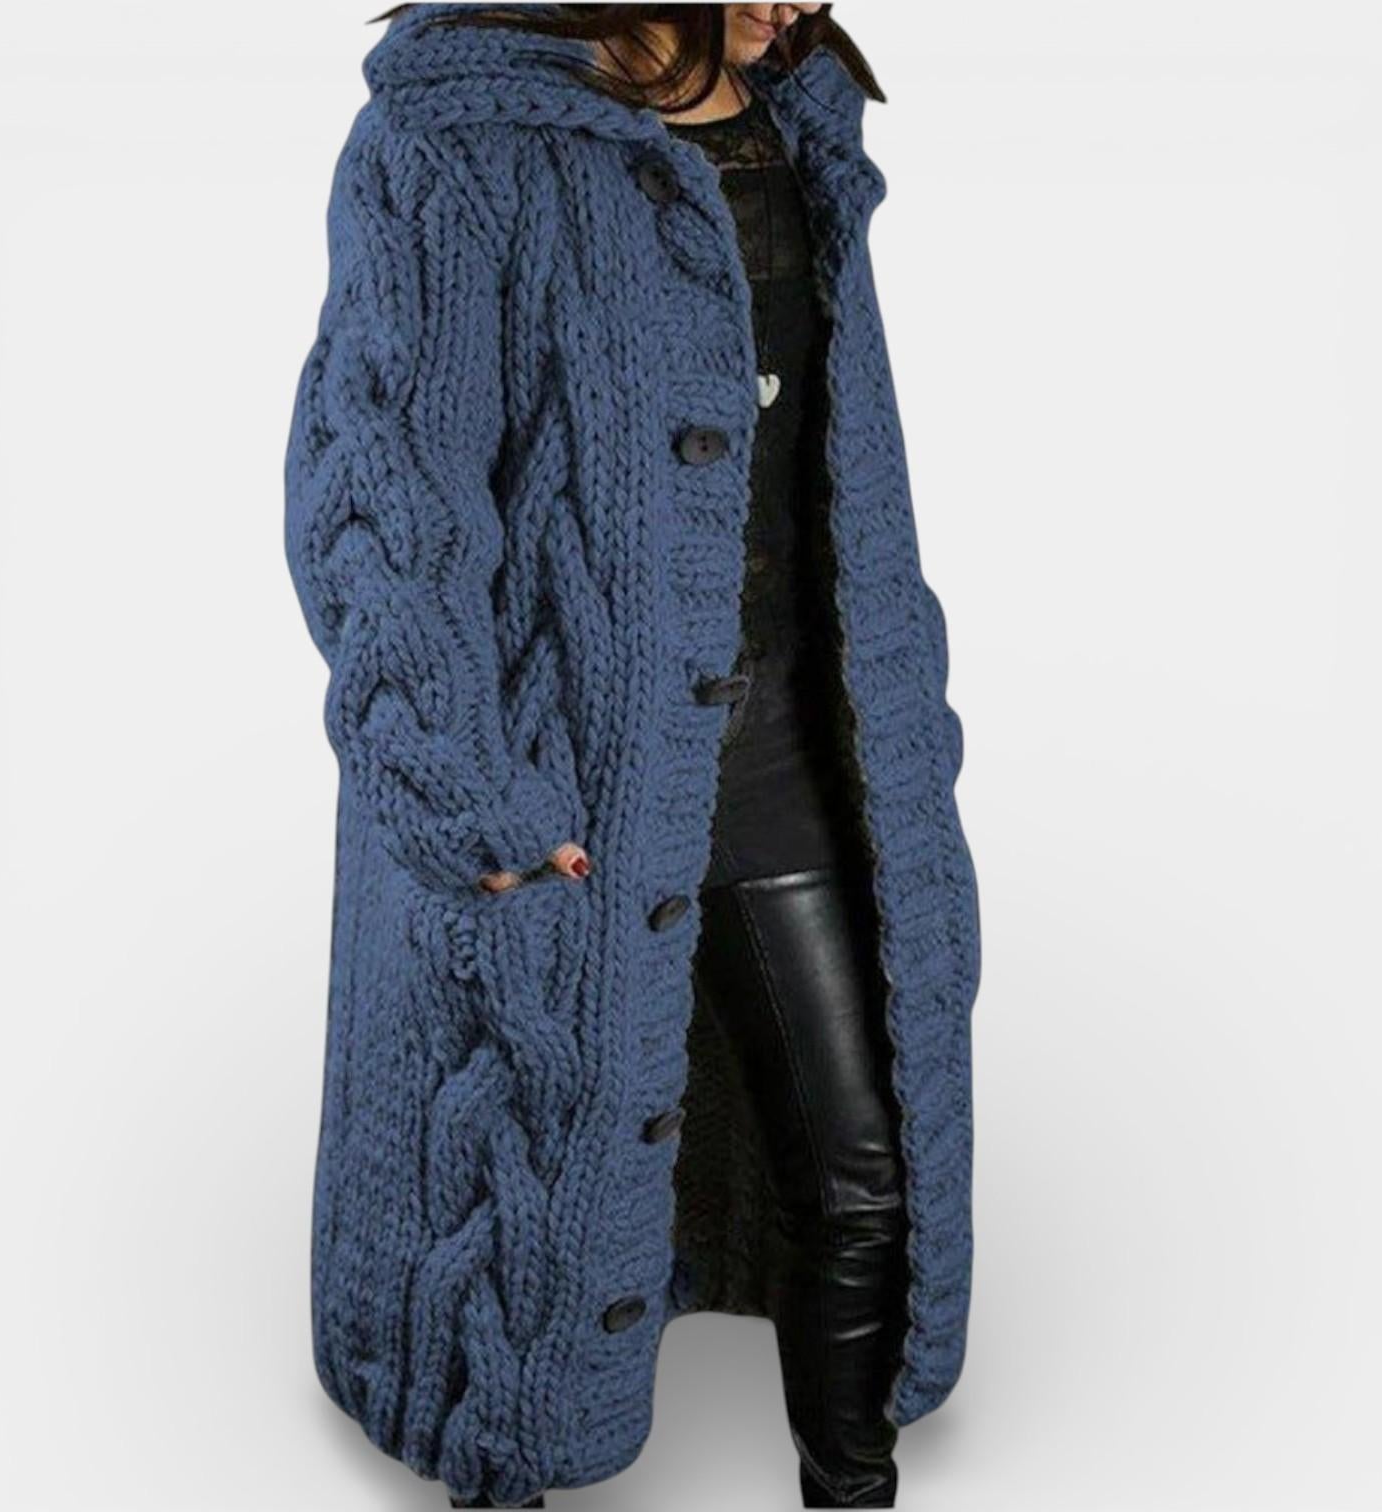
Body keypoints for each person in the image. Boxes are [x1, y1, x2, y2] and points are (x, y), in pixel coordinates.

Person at [283, 6, 982, 1508]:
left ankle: (850, 1486)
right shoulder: (456, 139)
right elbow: (383, 497)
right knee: (524, 1192)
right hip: (569, 768)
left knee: (868, 1165)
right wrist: (467, 793)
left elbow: (843, 459)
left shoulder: (794, 117)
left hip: (800, 746)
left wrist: (909, 699)